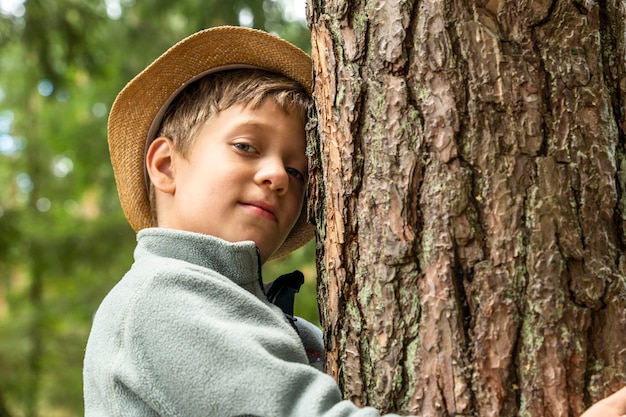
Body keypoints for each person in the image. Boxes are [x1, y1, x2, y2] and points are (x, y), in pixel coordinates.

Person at [83, 25, 626, 417]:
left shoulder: (249, 314)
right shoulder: (163, 303)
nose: (277, 175)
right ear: (164, 165)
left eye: (298, 172)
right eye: (247, 146)